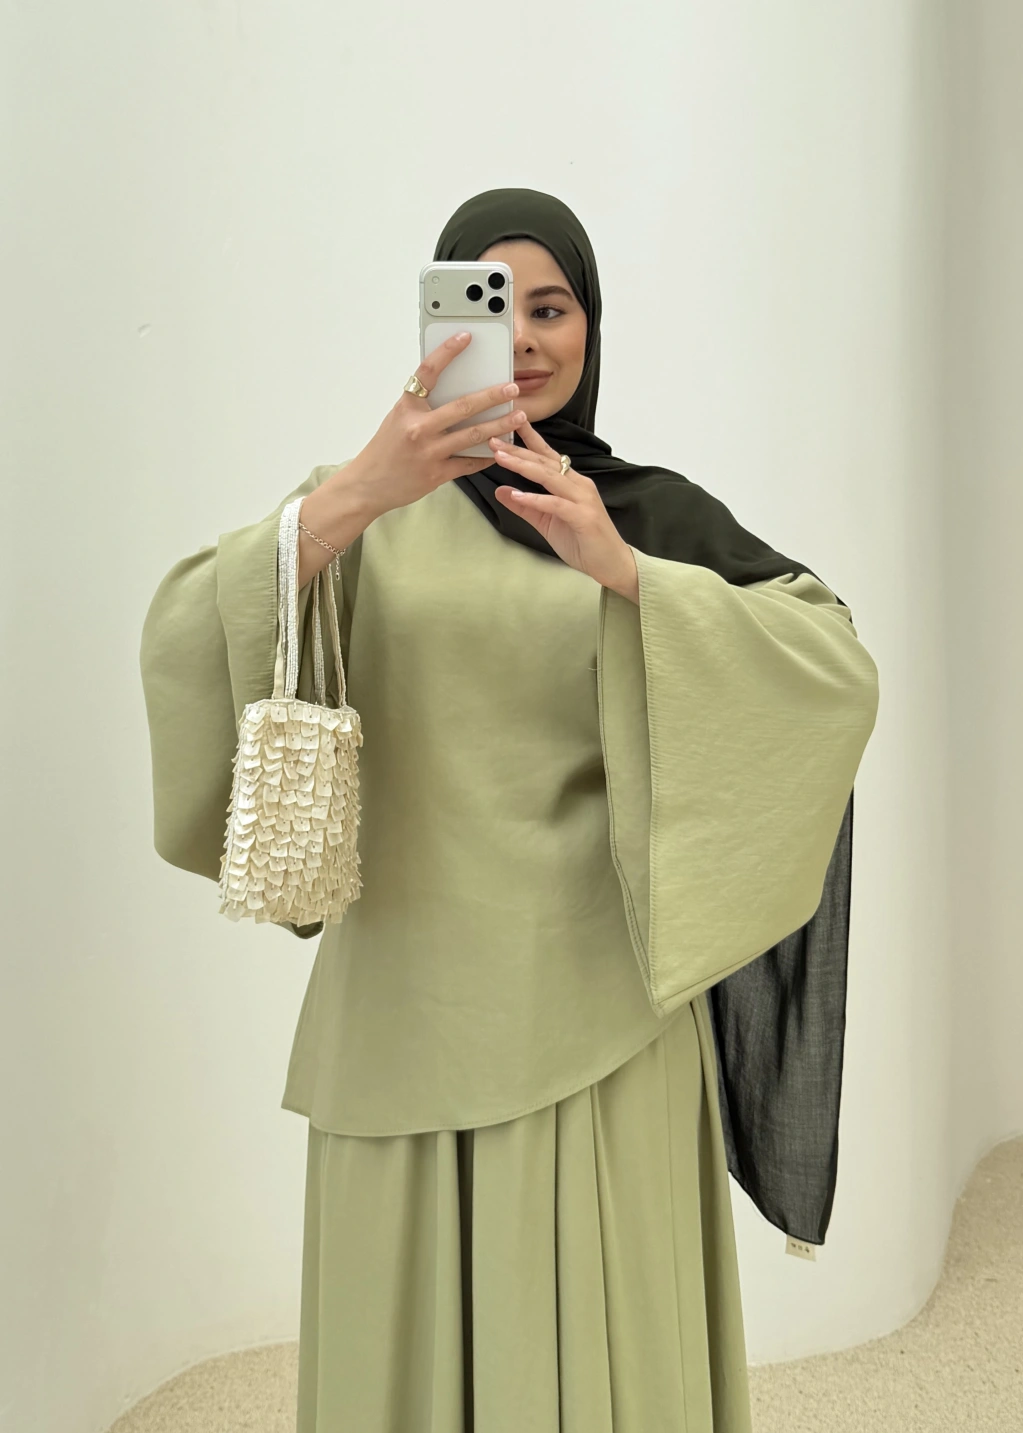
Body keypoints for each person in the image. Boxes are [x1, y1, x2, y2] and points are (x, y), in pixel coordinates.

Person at [140, 187, 879, 1432]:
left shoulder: (639, 512)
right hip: (402, 1007)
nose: (526, 340)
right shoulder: (362, 506)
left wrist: (625, 572)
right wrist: (360, 492)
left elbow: (829, 665)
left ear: (592, 327)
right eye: (492, 308)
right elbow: (181, 631)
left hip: (597, 1016)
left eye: (553, 308)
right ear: (438, 324)